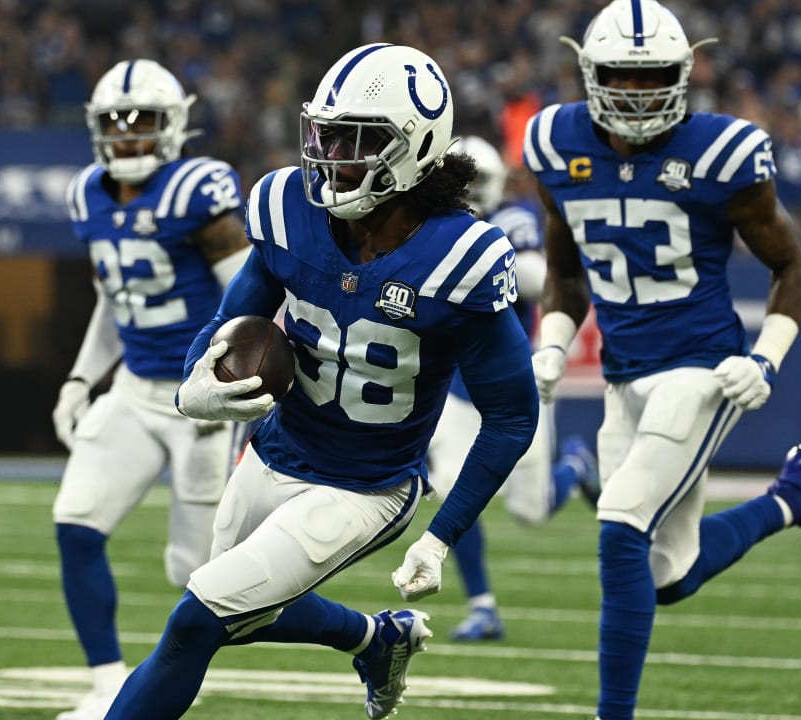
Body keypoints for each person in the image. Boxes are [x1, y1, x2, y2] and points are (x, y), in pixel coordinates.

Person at [105, 43, 540, 720]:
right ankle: (376, 639)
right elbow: (232, 317)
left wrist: (441, 535)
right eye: (326, 135)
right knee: (238, 612)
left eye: (358, 141)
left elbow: (512, 415)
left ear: (416, 147)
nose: (333, 156)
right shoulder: (287, 206)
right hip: (275, 452)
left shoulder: (461, 255)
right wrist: (197, 380)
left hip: (366, 487)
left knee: (196, 621)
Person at [524, 2, 801, 719]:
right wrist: (552, 342)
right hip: (624, 376)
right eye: (623, 75)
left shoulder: (723, 154)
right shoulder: (556, 143)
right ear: (590, 73)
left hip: (698, 370)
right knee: (666, 577)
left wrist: (765, 359)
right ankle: (793, 497)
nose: (640, 93)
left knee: (618, 524)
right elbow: (568, 273)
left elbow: (794, 267)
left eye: (655, 78)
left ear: (683, 76)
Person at [49, 58, 253, 720]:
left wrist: (247, 388)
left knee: (191, 571)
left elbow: (251, 296)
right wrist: (83, 378)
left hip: (201, 398)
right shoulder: (88, 194)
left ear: (174, 129)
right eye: (115, 123)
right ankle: (108, 681)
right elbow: (116, 300)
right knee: (76, 521)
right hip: (135, 389)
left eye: (142, 123)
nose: (128, 136)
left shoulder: (197, 189)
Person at [429, 135, 600, 642]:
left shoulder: (512, 221)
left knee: (532, 510)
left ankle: (575, 465)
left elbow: (532, 276)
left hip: (511, 383)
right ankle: (484, 607)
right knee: (450, 494)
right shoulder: (429, 225)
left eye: (477, 181)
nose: (468, 191)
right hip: (458, 384)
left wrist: (483, 256)